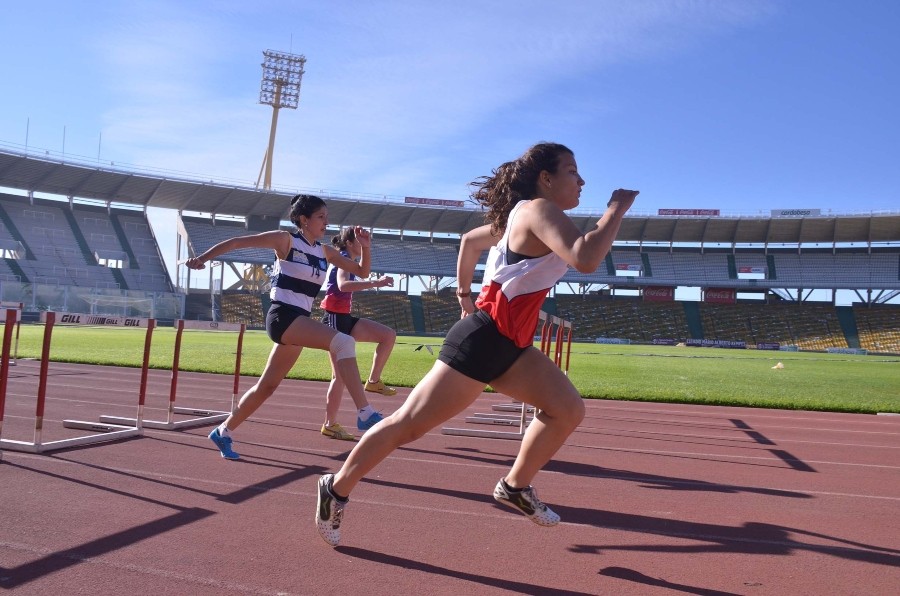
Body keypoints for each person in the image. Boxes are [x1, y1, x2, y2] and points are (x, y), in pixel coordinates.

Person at [314, 142, 638, 546]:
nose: (582, 179)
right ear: (546, 178)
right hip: (482, 340)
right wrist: (615, 209)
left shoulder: (524, 215)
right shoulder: (539, 209)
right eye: (573, 170)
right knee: (407, 426)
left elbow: (469, 240)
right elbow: (586, 258)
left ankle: (515, 486)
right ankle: (336, 487)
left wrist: (464, 293)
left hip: (512, 345)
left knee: (567, 408)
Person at [185, 194, 385, 460]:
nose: (327, 222)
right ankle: (364, 412)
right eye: (321, 217)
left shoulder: (325, 251)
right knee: (344, 342)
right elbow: (236, 242)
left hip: (299, 321)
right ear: (304, 220)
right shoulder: (285, 240)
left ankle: (222, 432)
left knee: (267, 387)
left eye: (326, 216)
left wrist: (366, 247)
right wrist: (203, 258)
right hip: (282, 317)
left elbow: (362, 273)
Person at [319, 227, 398, 442]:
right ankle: (330, 424)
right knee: (339, 378)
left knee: (388, 335)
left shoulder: (349, 261)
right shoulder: (343, 258)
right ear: (350, 243)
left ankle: (373, 381)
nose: (363, 245)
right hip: (334, 319)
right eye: (360, 242)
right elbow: (343, 285)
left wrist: (372, 270)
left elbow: (357, 275)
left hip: (345, 317)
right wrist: (376, 283)